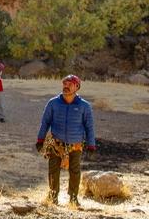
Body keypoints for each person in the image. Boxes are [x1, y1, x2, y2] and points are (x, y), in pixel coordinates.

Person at [35, 75, 96, 208]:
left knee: (75, 171)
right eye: (64, 83)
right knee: (53, 170)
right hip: (56, 144)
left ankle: (73, 198)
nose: (66, 86)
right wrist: (40, 139)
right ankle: (53, 196)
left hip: (76, 145)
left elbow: (89, 127)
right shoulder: (53, 103)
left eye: (69, 84)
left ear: (77, 87)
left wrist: (92, 145)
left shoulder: (84, 106)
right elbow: (45, 122)